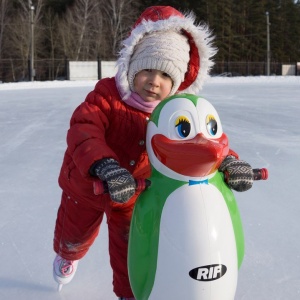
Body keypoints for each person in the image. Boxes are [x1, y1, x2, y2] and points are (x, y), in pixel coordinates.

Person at [52, 5, 254, 300]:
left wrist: (229, 162)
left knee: (130, 250)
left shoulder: (175, 112)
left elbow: (200, 143)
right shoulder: (107, 96)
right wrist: (104, 165)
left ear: (177, 82)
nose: (153, 81)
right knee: (74, 234)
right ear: (132, 66)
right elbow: (84, 128)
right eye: (146, 68)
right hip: (88, 185)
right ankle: (67, 255)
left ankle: (129, 294)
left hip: (134, 192)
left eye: (164, 74)